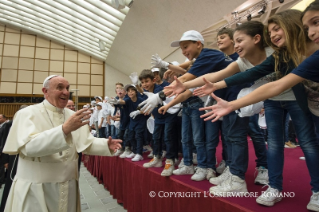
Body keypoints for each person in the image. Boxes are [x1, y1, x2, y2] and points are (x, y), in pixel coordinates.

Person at [197, 9, 319, 210]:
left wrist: (232, 103)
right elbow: (255, 74)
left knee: (308, 143)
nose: (273, 36)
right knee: (274, 143)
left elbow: (276, 84)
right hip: (273, 101)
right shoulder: (282, 54)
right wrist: (217, 86)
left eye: (277, 29)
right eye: (270, 32)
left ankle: (316, 191)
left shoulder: (302, 53)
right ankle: (274, 186)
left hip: (296, 100)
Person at [2, 75, 122, 212]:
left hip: (68, 187)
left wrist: (106, 145)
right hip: (36, 189)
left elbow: (85, 143)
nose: (65, 91)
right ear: (45, 91)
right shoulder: (26, 114)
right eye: (60, 87)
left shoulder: (72, 114)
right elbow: (29, 147)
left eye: (67, 88)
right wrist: (64, 130)